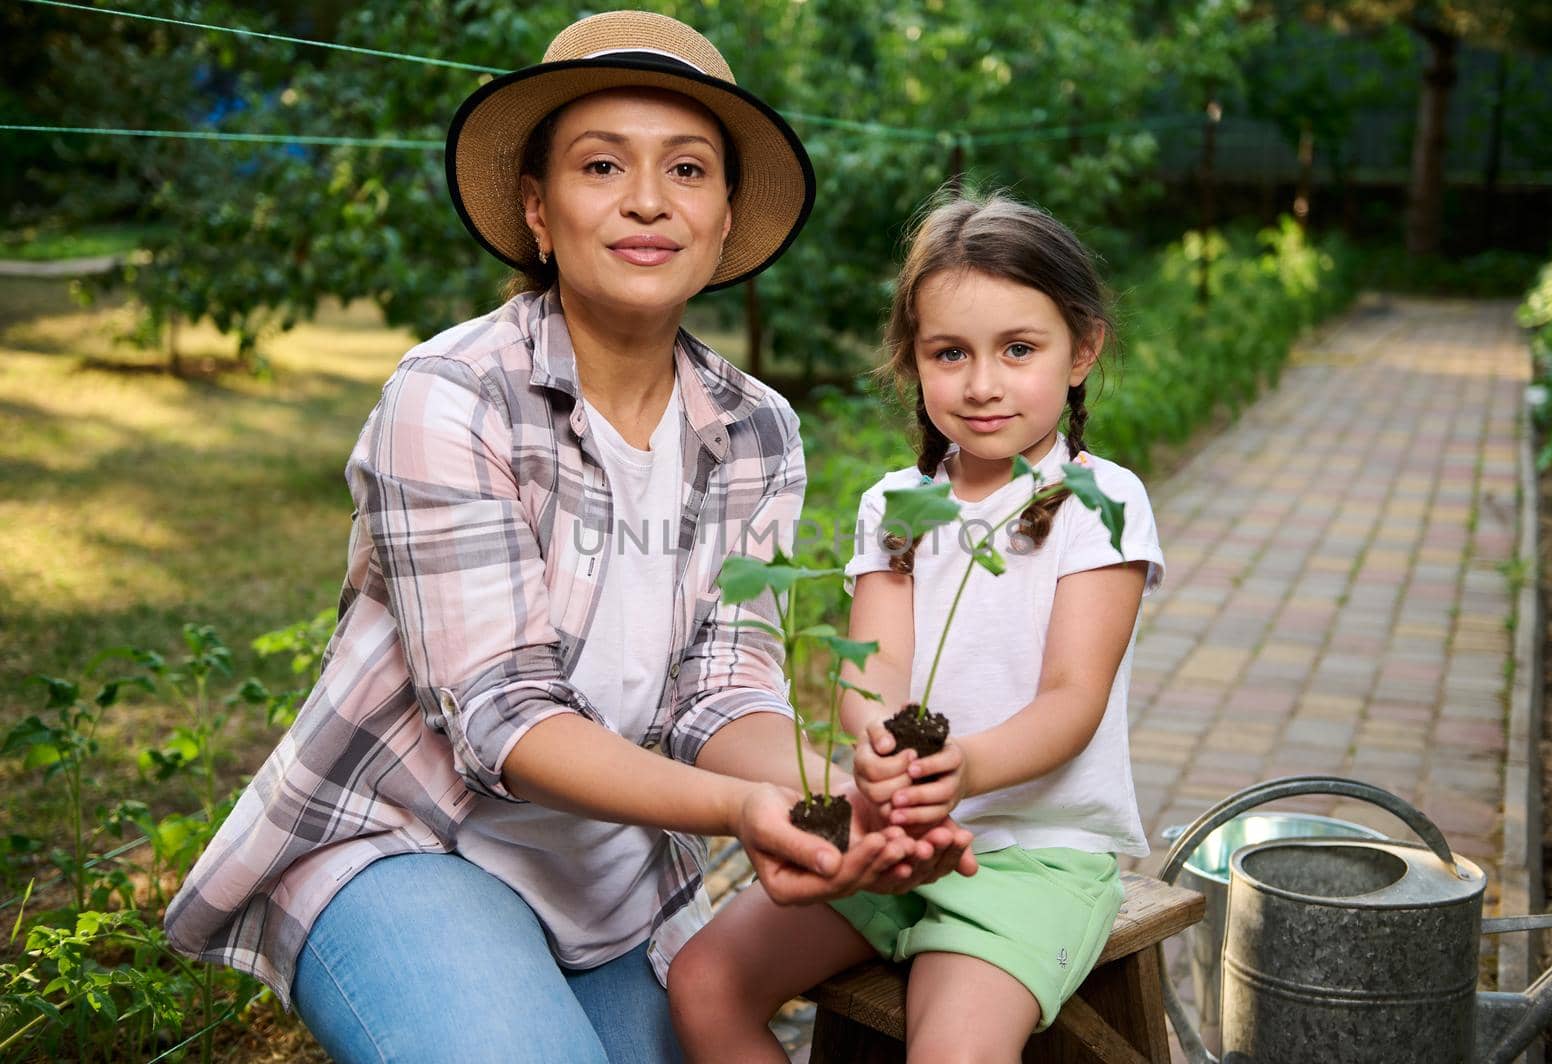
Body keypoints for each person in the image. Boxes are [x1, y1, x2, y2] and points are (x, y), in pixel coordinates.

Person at [163, 12, 973, 1063]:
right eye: (602, 165)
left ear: (725, 218)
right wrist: (739, 806)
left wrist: (839, 798)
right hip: (408, 842)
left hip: (611, 878)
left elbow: (720, 689)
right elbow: (503, 713)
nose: (647, 200)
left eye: (687, 169)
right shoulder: (451, 395)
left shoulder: (755, 428)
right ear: (539, 210)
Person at [669, 191, 1167, 1062]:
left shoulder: (1100, 501)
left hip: (1030, 858)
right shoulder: (896, 506)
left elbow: (1072, 699)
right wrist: (873, 741)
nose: (981, 383)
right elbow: (876, 670)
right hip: (887, 831)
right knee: (703, 979)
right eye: (950, 353)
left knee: (952, 1052)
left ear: (1082, 349)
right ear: (913, 360)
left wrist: (965, 764)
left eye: (1019, 349)